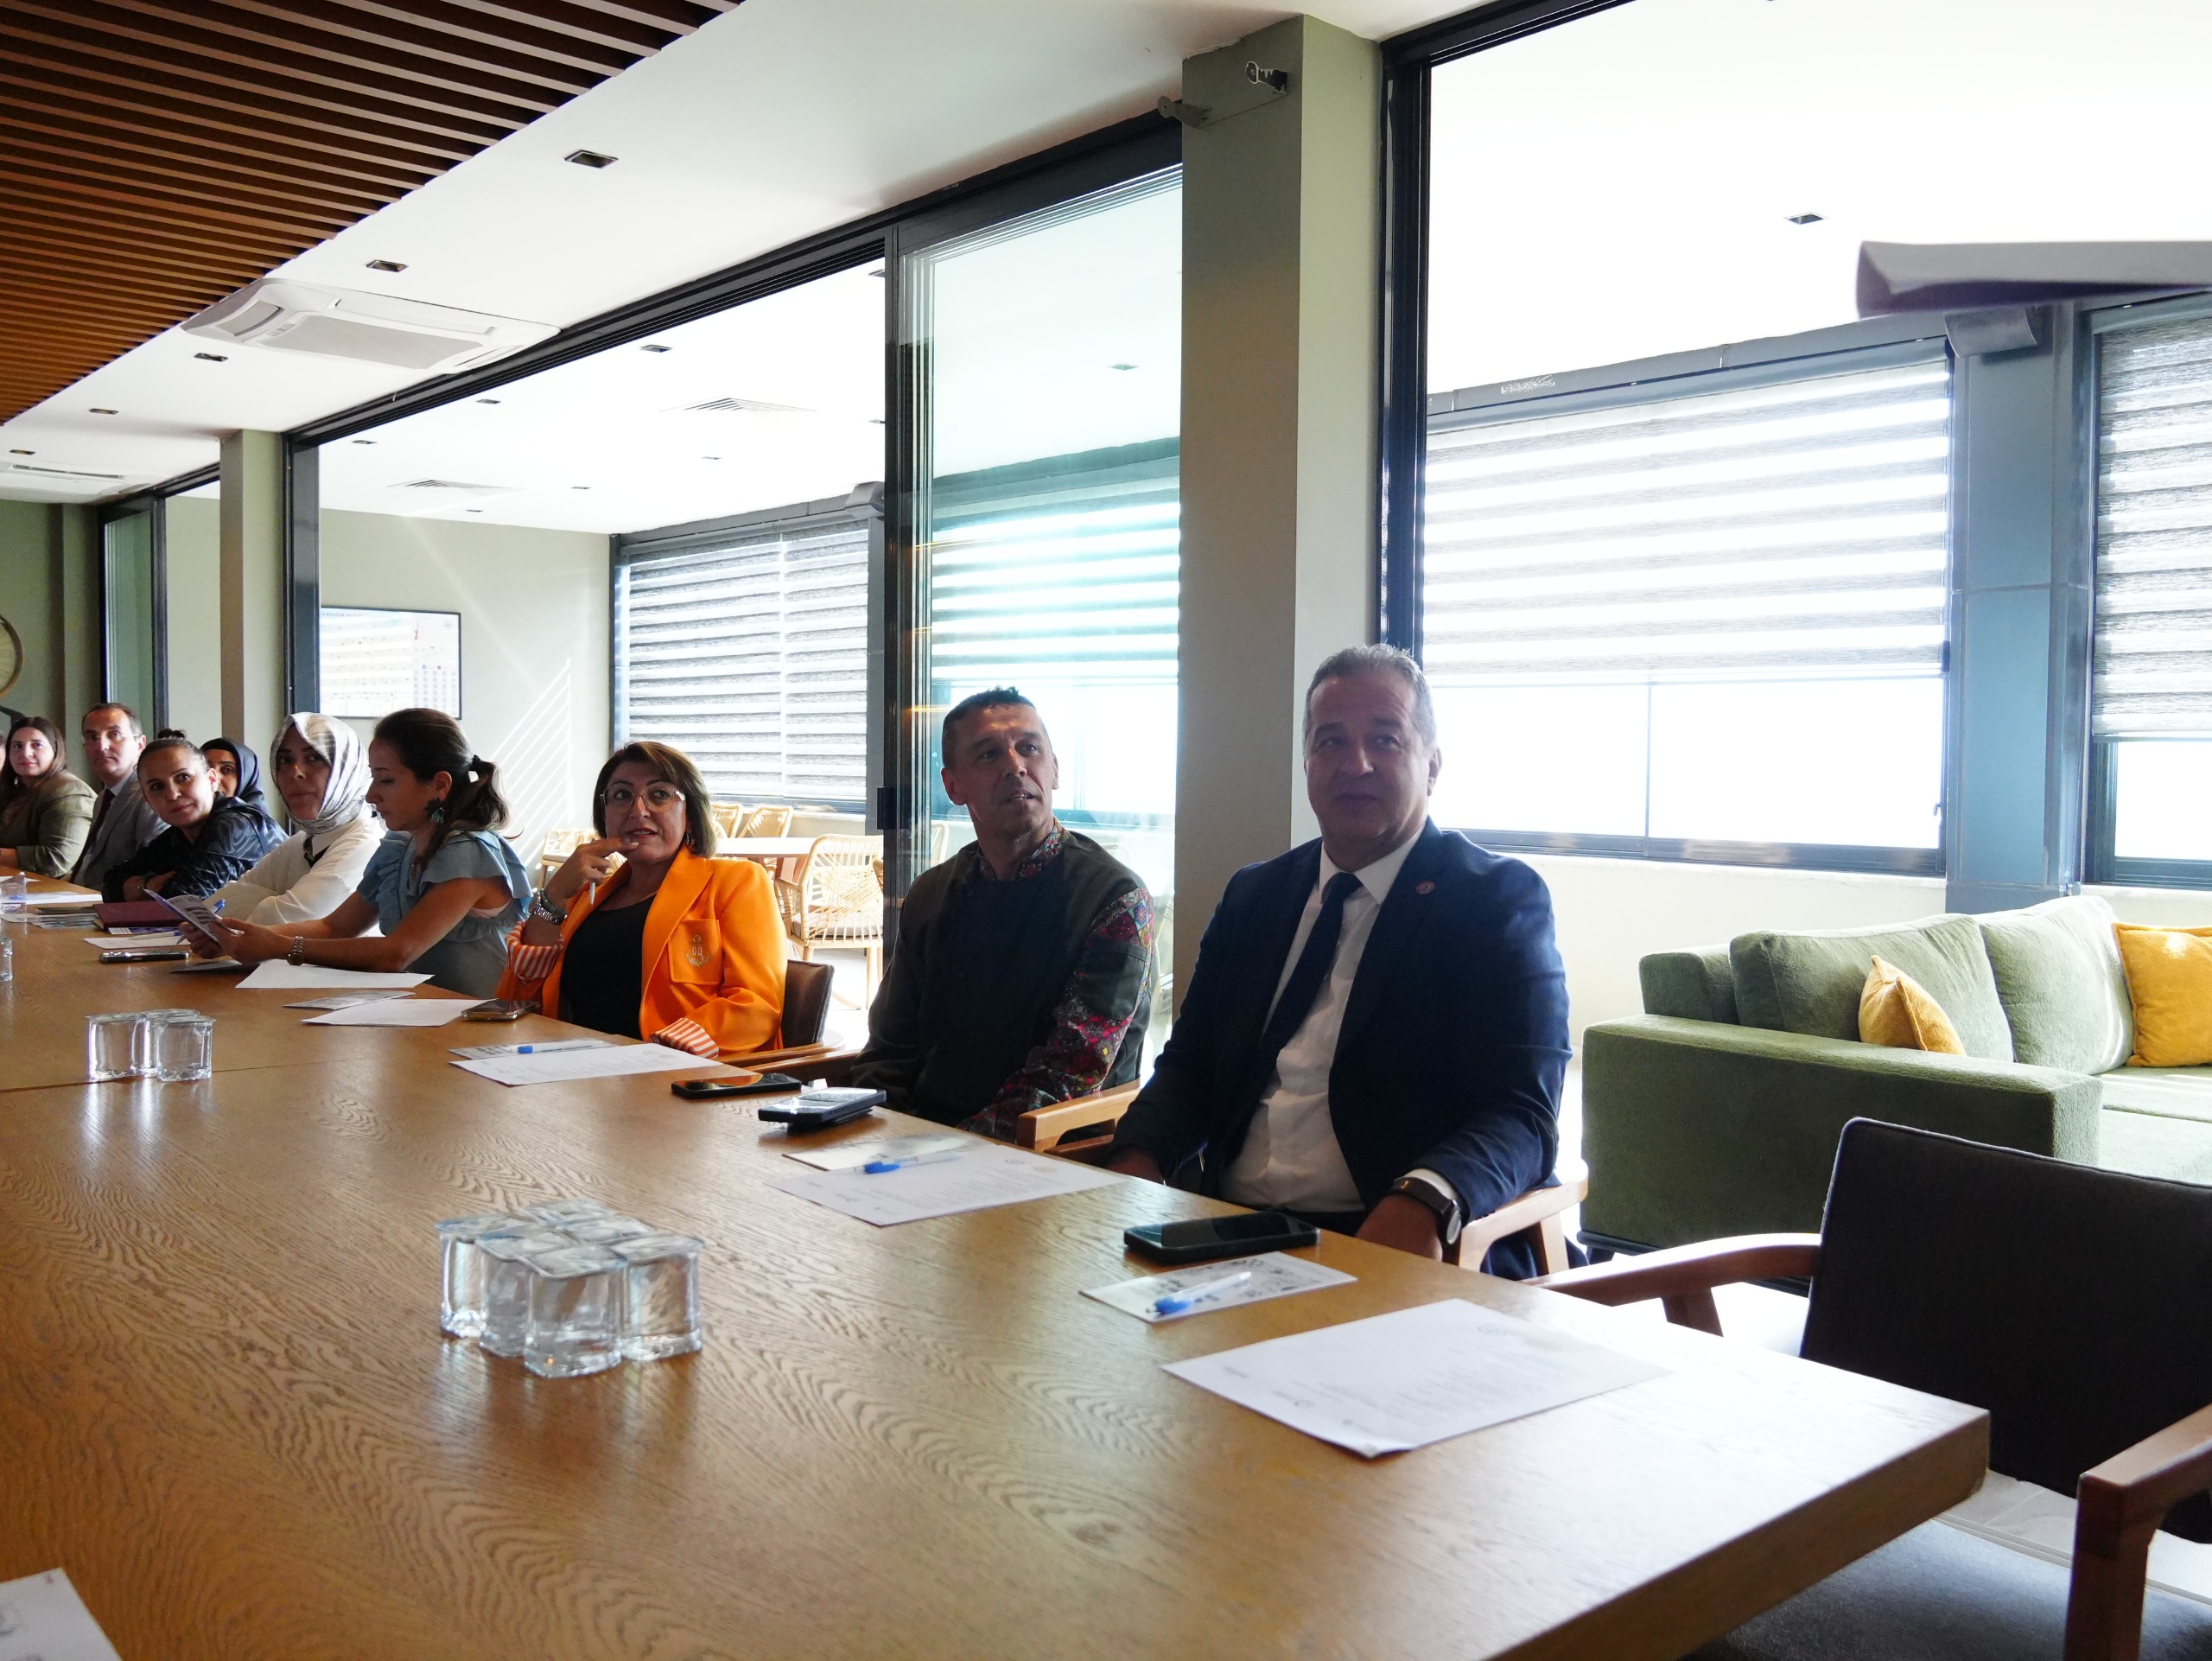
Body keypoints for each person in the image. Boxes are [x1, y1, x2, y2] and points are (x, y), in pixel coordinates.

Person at [1103, 645, 1572, 1276]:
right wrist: (1134, 1161)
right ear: (1306, 762)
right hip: (1224, 1232)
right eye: (1331, 742)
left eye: (1385, 739)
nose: (1356, 764)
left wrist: (1426, 1197)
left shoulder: (1493, 900)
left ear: (1432, 765)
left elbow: (1523, 1113)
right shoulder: (1256, 894)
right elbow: (1192, 1066)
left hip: (1389, 1237)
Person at [850, 688, 1154, 1139]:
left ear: (1055, 770)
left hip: (1043, 1153)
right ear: (953, 786)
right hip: (918, 1144)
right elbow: (889, 1048)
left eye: (1030, 748)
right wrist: (878, 1131)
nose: (1016, 766)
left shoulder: (1114, 899)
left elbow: (1066, 1076)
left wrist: (938, 1150)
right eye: (989, 754)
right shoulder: (931, 893)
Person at [207, 708, 530, 996]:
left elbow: (397, 953)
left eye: (386, 780)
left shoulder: (470, 853)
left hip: (480, 1023)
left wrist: (280, 947)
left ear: (439, 785)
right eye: (373, 777)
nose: (372, 794)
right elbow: (335, 927)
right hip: (420, 1016)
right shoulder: (400, 845)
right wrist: (241, 937)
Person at [497, 741, 785, 1055]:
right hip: (569, 1067)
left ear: (690, 814)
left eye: (659, 794)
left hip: (679, 1072)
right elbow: (517, 1001)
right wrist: (553, 897)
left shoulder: (735, 882)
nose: (638, 810)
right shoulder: (585, 897)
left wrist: (652, 1055)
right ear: (605, 815)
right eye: (622, 795)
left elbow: (756, 1006)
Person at [206, 715, 383, 926]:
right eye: (285, 760)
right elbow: (212, 910)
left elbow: (281, 925)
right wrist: (265, 907)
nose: (295, 772)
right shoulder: (305, 841)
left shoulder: (365, 846)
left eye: (314, 758)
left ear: (346, 769)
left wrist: (261, 905)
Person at [103, 736, 285, 901]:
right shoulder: (178, 835)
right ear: (147, 800)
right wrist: (148, 885)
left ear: (212, 780)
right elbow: (111, 883)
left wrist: (140, 889)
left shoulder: (236, 824)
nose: (172, 794)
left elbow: (183, 899)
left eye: (183, 777)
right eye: (157, 786)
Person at [68, 703, 164, 892]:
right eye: (92, 737)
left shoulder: (149, 797)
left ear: (140, 744)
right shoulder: (103, 798)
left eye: (114, 735)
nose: (101, 746)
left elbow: (154, 872)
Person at [0, 715, 96, 877]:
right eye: (17, 746)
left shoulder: (69, 791)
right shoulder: (14, 790)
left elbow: (56, 860)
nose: (26, 753)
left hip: (59, 889)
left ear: (55, 750)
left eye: (37, 745)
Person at [201, 737, 267, 807]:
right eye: (206, 769)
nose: (213, 778)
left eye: (227, 770)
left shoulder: (251, 814)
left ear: (246, 779)